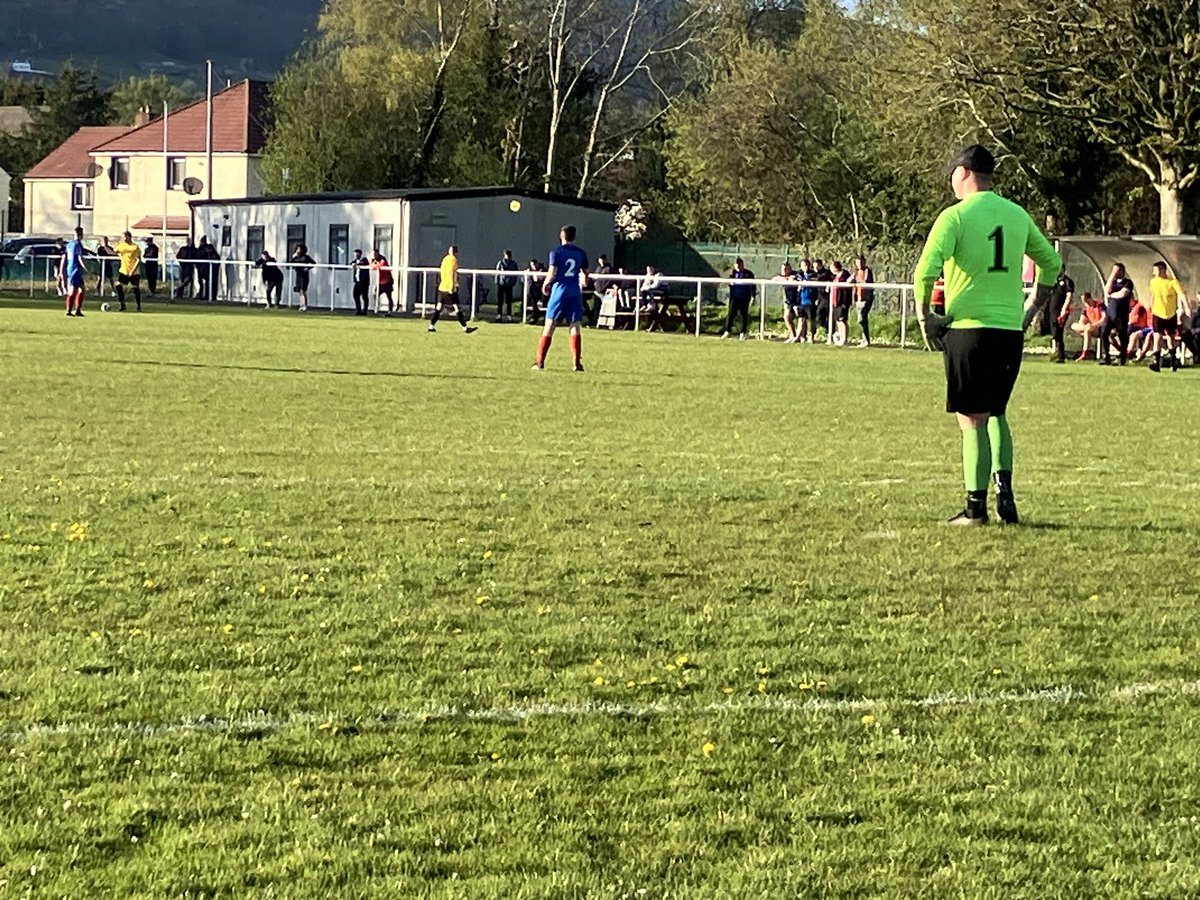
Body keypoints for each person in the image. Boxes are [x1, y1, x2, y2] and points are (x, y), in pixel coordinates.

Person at [913, 143, 1060, 526]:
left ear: (963, 174)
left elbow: (925, 271)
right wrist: (1031, 308)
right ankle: (1005, 492)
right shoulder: (1016, 214)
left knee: (970, 420)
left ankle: (975, 508)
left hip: (969, 331)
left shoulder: (955, 217)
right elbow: (1051, 262)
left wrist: (925, 316)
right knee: (997, 411)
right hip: (1008, 331)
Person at [533, 224, 588, 370]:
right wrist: (584, 282)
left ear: (561, 236)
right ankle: (576, 363)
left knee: (549, 325)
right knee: (575, 325)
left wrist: (545, 284)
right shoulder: (580, 253)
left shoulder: (556, 252)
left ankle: (539, 362)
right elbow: (585, 273)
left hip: (559, 291)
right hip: (574, 291)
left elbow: (552, 272)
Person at [1146, 261, 1189, 372]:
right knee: (1157, 337)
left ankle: (1173, 361)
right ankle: (1156, 362)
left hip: (1170, 314)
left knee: (1170, 338)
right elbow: (1153, 295)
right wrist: (1150, 307)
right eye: (1154, 270)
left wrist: (1187, 307)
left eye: (1157, 270)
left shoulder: (1172, 282)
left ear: (1163, 270)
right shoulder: (1153, 282)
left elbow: (1181, 294)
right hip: (1157, 313)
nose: (1155, 272)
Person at [429, 245, 476, 333]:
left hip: (442, 287)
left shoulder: (445, 259)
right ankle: (465, 328)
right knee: (457, 307)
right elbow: (451, 273)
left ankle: (431, 326)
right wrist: (452, 286)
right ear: (456, 253)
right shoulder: (453, 260)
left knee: (439, 307)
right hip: (449, 288)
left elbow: (442, 272)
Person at [1097, 263, 1135, 366]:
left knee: (1122, 336)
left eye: (1117, 271)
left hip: (1121, 314)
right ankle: (1106, 356)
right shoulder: (1112, 282)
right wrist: (1111, 276)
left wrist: (1111, 295)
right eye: (1114, 270)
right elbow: (1106, 291)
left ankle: (1122, 357)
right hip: (1110, 314)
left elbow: (1122, 294)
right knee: (1104, 333)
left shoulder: (1127, 283)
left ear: (1122, 271)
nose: (1115, 273)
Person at [720, 257, 756, 340]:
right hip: (734, 297)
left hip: (744, 297)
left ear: (742, 264)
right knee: (731, 314)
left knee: (743, 315)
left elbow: (753, 285)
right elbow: (728, 282)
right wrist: (729, 282)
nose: (738, 266)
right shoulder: (732, 273)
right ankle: (727, 331)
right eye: (736, 264)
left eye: (739, 264)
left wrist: (753, 296)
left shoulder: (748, 274)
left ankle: (743, 332)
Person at [1045, 266, 1074, 363]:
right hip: (1052, 310)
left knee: (1058, 331)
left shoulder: (1067, 281)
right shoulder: (1053, 280)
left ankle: (1061, 356)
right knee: (1054, 331)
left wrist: (1064, 309)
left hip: (1060, 310)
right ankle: (1057, 353)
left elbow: (1069, 295)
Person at [58, 226, 87, 317]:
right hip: (75, 269)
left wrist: (62, 270)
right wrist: (86, 267)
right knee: (73, 290)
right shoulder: (77, 244)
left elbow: (64, 257)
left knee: (82, 288)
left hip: (71, 269)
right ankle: (69, 310)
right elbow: (79, 257)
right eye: (79, 234)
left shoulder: (69, 244)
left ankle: (78, 310)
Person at [1070, 293, 1106, 361]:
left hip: (1099, 327)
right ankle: (1085, 330)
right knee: (1073, 326)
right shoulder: (1086, 308)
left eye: (1086, 301)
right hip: (1089, 327)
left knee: (1087, 330)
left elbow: (1104, 319)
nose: (1086, 303)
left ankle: (1084, 353)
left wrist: (1093, 325)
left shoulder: (1100, 305)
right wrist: (1084, 325)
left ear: (1090, 298)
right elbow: (1081, 320)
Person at [114, 230, 143, 312]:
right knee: (118, 285)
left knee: (135, 288)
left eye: (124, 237)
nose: (123, 238)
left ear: (129, 237)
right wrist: (105, 246)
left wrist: (132, 271)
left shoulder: (135, 247)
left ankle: (138, 306)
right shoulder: (121, 246)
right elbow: (114, 251)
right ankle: (122, 305)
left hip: (134, 272)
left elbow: (138, 261)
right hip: (124, 271)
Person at [775, 262, 803, 342]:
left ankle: (801, 336)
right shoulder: (781, 276)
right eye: (782, 269)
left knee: (801, 317)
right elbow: (775, 279)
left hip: (798, 300)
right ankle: (793, 335)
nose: (783, 271)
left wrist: (790, 279)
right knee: (787, 317)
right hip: (789, 300)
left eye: (785, 269)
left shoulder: (795, 275)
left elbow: (799, 280)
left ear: (789, 269)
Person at [852, 255, 876, 347]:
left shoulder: (867, 271)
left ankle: (866, 340)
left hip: (866, 298)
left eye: (861, 262)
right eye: (857, 263)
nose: (859, 264)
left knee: (862, 318)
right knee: (861, 319)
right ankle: (865, 339)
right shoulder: (856, 272)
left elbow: (865, 281)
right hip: (858, 297)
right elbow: (850, 279)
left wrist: (857, 281)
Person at [829, 260, 853, 345]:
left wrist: (845, 303)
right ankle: (841, 337)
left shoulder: (844, 275)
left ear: (835, 268)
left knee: (843, 320)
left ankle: (845, 339)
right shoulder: (835, 277)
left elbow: (846, 290)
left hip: (842, 302)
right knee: (838, 320)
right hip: (836, 302)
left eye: (831, 267)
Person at [811, 258, 833, 341]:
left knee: (828, 315)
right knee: (819, 316)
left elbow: (821, 279)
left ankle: (831, 333)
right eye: (814, 267)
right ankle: (828, 330)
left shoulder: (826, 273)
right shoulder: (814, 273)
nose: (815, 269)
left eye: (817, 266)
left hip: (827, 298)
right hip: (820, 298)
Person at [797, 258, 818, 342]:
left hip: (810, 300)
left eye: (805, 265)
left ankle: (811, 336)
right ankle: (801, 336)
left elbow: (816, 281)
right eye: (802, 265)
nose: (804, 267)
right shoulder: (799, 274)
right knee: (801, 319)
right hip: (802, 300)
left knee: (811, 319)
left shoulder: (813, 274)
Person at [495, 249, 519, 322]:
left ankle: (509, 316)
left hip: (509, 285)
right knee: (500, 301)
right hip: (501, 284)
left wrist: (513, 282)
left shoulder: (514, 264)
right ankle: (499, 315)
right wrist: (497, 282)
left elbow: (516, 274)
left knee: (509, 301)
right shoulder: (500, 263)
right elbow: (497, 273)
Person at [291, 243, 315, 310]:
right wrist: (293, 257)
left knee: (303, 290)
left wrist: (307, 268)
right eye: (297, 249)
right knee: (299, 291)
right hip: (298, 275)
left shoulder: (306, 257)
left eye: (300, 249)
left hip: (304, 275)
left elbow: (313, 263)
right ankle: (301, 305)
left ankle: (304, 305)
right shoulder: (295, 257)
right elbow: (291, 264)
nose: (298, 250)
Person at [371, 249, 395, 315]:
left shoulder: (382, 259)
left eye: (375, 254)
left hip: (387, 281)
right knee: (375, 295)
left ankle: (390, 311)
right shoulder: (373, 260)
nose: (374, 255)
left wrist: (375, 265)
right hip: (379, 282)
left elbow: (380, 265)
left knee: (389, 297)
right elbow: (371, 266)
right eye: (373, 254)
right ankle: (376, 308)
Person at [350, 248, 371, 315]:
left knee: (364, 297)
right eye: (355, 254)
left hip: (364, 282)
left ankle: (365, 311)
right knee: (355, 296)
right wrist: (353, 264)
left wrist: (356, 264)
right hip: (357, 282)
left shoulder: (364, 260)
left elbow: (363, 263)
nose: (356, 256)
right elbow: (351, 263)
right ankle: (358, 310)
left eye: (357, 254)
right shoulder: (355, 261)